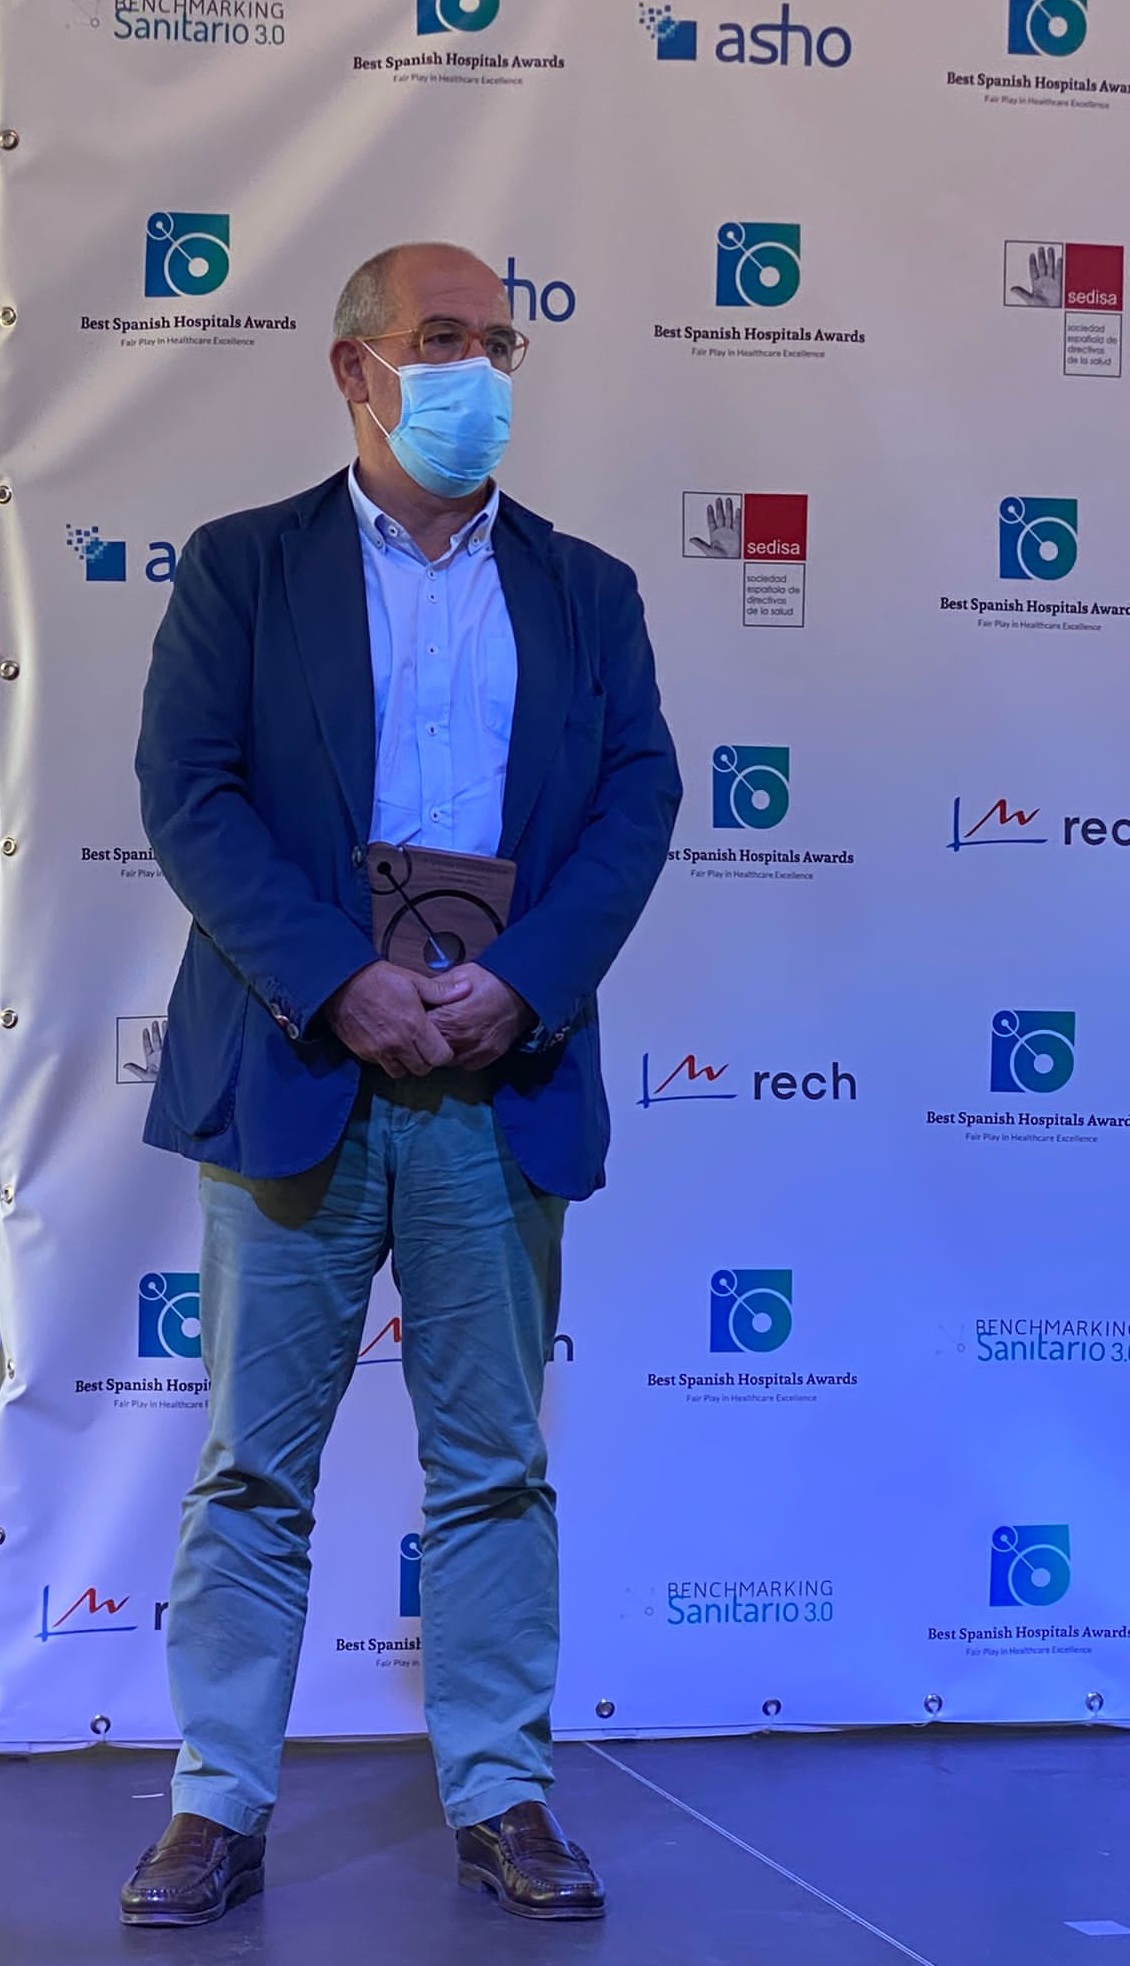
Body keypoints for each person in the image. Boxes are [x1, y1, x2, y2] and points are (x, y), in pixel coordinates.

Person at [120, 240, 681, 1928]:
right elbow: (189, 791)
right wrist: (336, 977)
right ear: (355, 370)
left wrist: (520, 981)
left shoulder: (585, 588)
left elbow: (636, 799)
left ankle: (503, 1791)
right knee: (250, 1468)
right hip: (297, 1064)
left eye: (498, 342)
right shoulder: (245, 566)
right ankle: (214, 1804)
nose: (478, 371)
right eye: (443, 339)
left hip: (497, 1079)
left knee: (493, 1462)